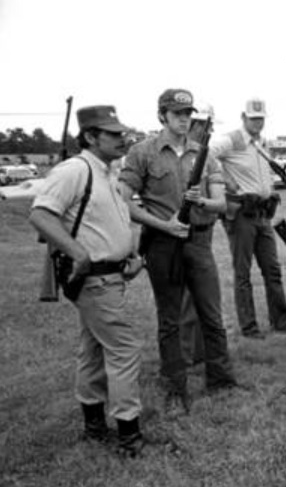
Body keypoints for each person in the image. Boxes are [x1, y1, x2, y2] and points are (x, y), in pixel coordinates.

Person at [30, 105, 147, 456]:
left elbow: (108, 223)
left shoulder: (106, 172)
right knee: (124, 349)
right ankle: (129, 435)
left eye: (122, 132)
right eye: (113, 134)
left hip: (110, 277)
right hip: (95, 280)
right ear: (91, 137)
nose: (122, 138)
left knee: (93, 349)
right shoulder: (75, 170)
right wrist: (77, 253)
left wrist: (129, 255)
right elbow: (41, 215)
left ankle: (94, 426)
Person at [120, 88, 239, 414]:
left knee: (212, 315)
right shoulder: (143, 152)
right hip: (162, 244)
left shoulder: (205, 154)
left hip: (199, 242)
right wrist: (164, 225)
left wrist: (202, 200)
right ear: (162, 116)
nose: (184, 119)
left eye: (188, 114)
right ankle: (175, 387)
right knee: (170, 320)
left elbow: (221, 204)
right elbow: (123, 201)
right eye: (177, 114)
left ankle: (221, 379)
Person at [209, 98, 286, 339]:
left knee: (272, 270)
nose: (258, 123)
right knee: (243, 273)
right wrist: (225, 180)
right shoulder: (232, 139)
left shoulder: (261, 143)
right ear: (243, 117)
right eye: (253, 118)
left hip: (263, 213)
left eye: (261, 118)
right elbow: (205, 156)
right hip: (242, 214)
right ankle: (249, 327)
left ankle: (282, 322)